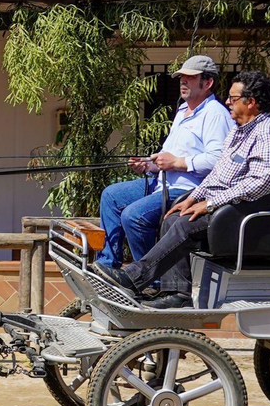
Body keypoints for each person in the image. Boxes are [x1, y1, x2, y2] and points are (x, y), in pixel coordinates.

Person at [94, 71, 270, 308]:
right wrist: (193, 197)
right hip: (226, 204)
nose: (227, 102)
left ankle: (135, 278)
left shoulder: (267, 132)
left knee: (185, 225)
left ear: (251, 102)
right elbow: (219, 173)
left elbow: (261, 181)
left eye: (233, 98)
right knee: (173, 218)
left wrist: (209, 203)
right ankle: (176, 293)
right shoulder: (239, 132)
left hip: (246, 211)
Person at [96, 55, 233, 270]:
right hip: (162, 183)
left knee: (134, 216)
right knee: (111, 196)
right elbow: (169, 156)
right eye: (181, 78)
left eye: (190, 78)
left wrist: (177, 163)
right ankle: (107, 266)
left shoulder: (215, 114)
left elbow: (218, 160)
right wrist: (150, 165)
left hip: (187, 190)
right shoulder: (181, 111)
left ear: (207, 83)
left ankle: (152, 279)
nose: (183, 82)